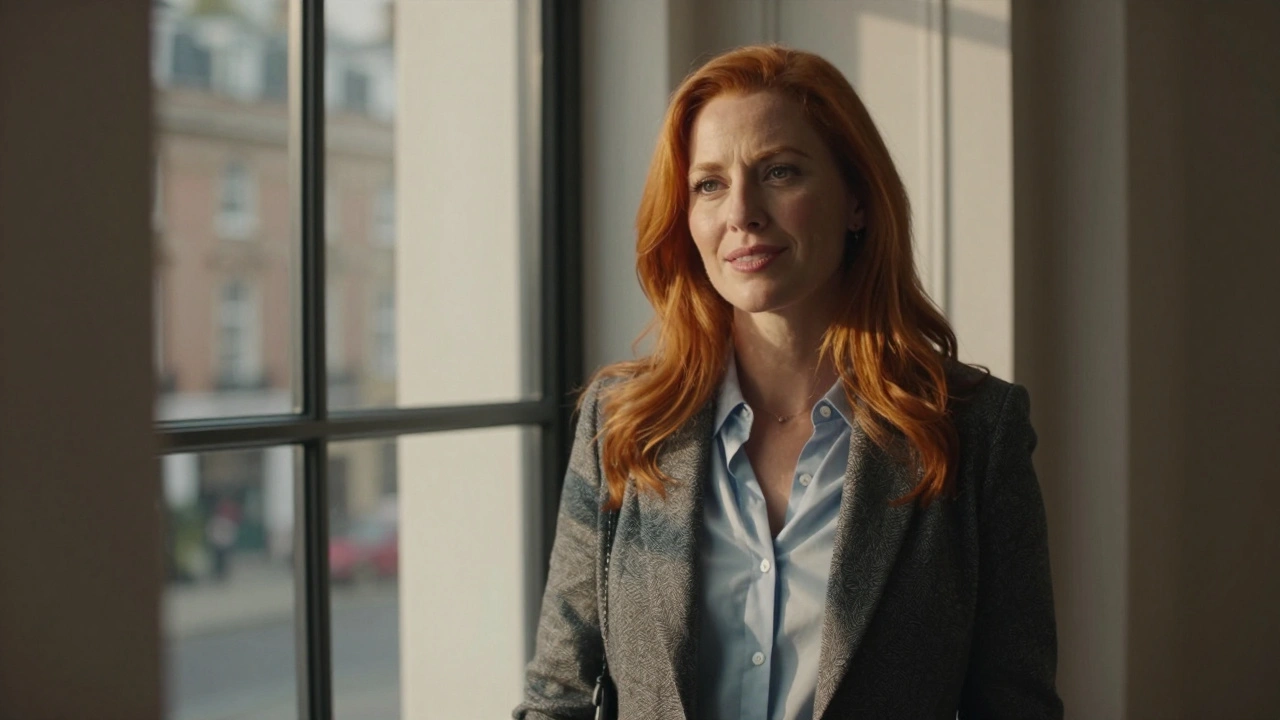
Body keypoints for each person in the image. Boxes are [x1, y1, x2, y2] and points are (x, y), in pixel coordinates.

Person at [515, 45, 1062, 720]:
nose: (742, 212)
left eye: (779, 172)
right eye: (709, 184)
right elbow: (557, 697)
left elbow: (1016, 705)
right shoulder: (623, 422)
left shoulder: (975, 429)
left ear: (857, 201)